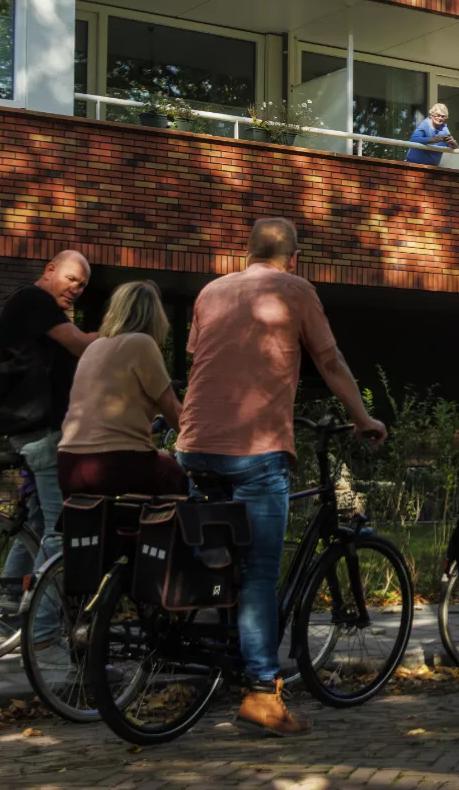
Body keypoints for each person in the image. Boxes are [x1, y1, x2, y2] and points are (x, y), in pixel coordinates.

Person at [178, 217, 387, 737]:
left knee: (212, 557)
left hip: (193, 445)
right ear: (294, 257)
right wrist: (363, 418)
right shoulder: (296, 290)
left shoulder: (211, 290)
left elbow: (198, 361)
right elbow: (330, 361)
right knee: (258, 573)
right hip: (255, 450)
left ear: (246, 252)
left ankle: (201, 659)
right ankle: (260, 692)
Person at [0, 249, 98, 638]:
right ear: (50, 270)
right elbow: (82, 345)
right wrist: (125, 330)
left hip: (32, 429)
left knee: (34, 528)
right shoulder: (34, 299)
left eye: (83, 286)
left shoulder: (34, 308)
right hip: (41, 432)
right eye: (71, 279)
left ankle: (4, 625)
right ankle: (43, 633)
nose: (77, 289)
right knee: (59, 531)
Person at [57, 280, 188, 498]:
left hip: (70, 462)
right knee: (178, 481)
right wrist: (203, 443)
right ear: (155, 316)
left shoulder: (94, 347)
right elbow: (172, 409)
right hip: (115, 462)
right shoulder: (142, 344)